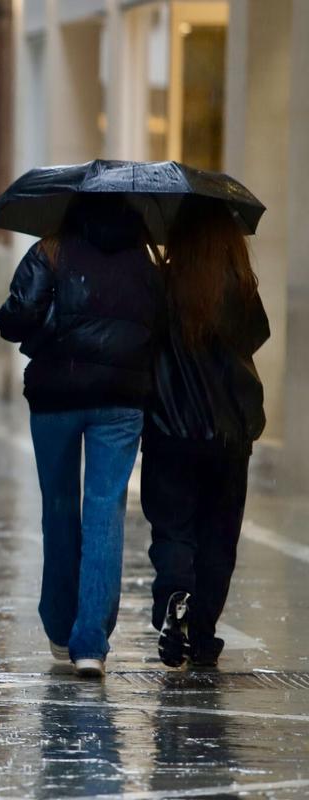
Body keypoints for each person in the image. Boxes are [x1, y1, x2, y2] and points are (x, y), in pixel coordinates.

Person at [0, 194, 162, 679]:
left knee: (60, 505)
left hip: (56, 395)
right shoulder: (144, 261)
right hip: (121, 400)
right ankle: (91, 644)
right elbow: (159, 327)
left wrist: (19, 322)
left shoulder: (50, 250)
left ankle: (60, 623)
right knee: (106, 510)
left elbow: (18, 315)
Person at [143, 198, 269, 669]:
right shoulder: (240, 286)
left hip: (169, 428)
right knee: (219, 535)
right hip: (229, 434)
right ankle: (202, 635)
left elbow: (144, 341)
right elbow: (256, 337)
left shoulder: (163, 284)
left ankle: (175, 595)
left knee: (173, 527)